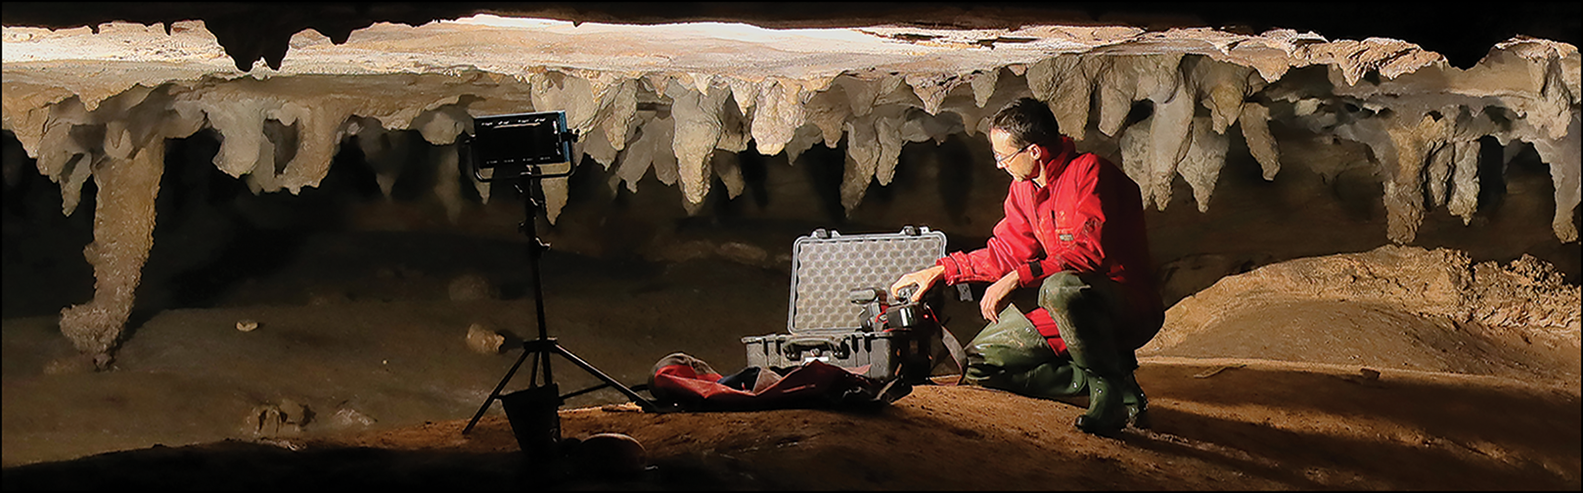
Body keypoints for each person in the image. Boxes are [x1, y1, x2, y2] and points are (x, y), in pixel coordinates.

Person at [890, 97, 1164, 436]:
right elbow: (1006, 251)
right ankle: (1114, 378)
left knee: (1061, 287)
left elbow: (1089, 255)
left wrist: (1016, 279)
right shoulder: (1023, 190)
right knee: (978, 364)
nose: (999, 165)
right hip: (1067, 309)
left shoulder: (1090, 172)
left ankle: (1108, 398)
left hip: (1123, 305)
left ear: (1034, 151)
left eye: (1003, 156)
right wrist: (941, 271)